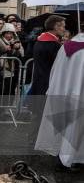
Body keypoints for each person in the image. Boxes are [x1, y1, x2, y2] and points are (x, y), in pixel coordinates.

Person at [35, 31, 84, 172]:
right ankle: (68, 160)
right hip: (78, 94)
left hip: (63, 92)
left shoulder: (65, 46)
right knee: (75, 129)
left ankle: (68, 158)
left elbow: (56, 71)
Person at [29, 15, 66, 97]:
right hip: (49, 81)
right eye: (63, 26)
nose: (64, 29)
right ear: (56, 27)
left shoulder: (39, 41)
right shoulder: (54, 44)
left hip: (38, 79)